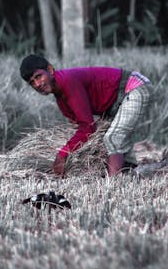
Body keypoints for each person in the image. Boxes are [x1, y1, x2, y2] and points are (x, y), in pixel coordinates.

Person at [19, 54, 153, 177]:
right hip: (117, 101)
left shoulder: (68, 82)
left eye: (38, 76)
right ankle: (127, 173)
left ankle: (113, 184)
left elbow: (88, 127)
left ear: (50, 69)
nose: (37, 84)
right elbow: (80, 126)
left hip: (134, 87)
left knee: (113, 138)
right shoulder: (61, 99)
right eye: (32, 82)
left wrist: (63, 154)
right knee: (111, 140)